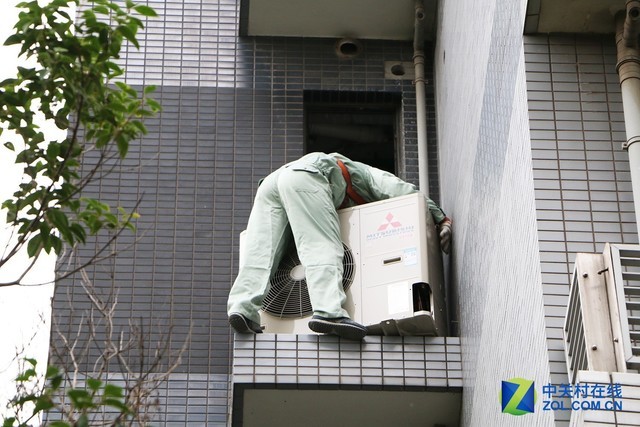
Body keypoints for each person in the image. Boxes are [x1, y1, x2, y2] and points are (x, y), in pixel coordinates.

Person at [227, 152, 452, 340]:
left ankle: (243, 308)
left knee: (259, 253)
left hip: (269, 185)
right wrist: (440, 217)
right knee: (319, 243)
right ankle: (329, 312)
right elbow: (399, 189)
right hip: (304, 178)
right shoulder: (365, 173)